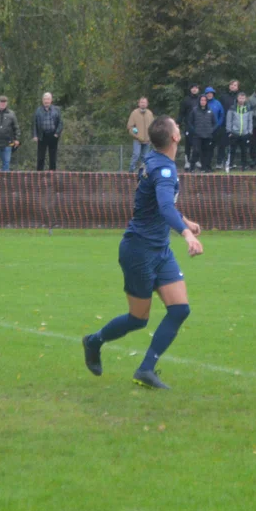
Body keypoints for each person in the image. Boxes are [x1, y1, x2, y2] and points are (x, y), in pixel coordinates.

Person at [81, 116, 203, 389]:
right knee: (138, 319)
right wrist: (186, 234)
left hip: (159, 249)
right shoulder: (164, 170)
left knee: (180, 309)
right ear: (173, 138)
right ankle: (94, 341)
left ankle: (146, 369)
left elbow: (160, 204)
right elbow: (163, 207)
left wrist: (185, 221)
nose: (180, 128)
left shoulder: (155, 161)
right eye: (177, 126)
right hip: (139, 250)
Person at [33, 92, 63, 171]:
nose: (46, 101)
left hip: (53, 136)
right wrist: (35, 135)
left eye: (48, 99)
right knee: (40, 157)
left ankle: (52, 174)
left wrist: (57, 133)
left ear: (51, 100)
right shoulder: (38, 110)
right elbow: (34, 123)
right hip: (42, 136)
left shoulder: (57, 110)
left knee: (53, 157)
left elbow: (60, 123)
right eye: (45, 99)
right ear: (42, 100)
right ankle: (39, 175)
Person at [188, 94, 217, 172]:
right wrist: (194, 130)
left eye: (205, 100)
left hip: (207, 135)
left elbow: (214, 123)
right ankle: (192, 167)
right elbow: (190, 122)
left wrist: (211, 130)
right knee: (196, 151)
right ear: (199, 101)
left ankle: (204, 168)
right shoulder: (194, 110)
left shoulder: (210, 111)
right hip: (197, 135)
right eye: (202, 100)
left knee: (206, 152)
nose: (203, 102)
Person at [225, 91, 252, 171]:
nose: (241, 99)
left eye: (243, 98)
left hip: (245, 133)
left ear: (245, 99)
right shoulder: (232, 108)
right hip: (234, 133)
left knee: (244, 151)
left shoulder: (248, 108)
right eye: (240, 98)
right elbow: (229, 120)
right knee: (232, 150)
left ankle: (244, 166)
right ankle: (230, 165)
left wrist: (250, 131)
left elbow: (250, 120)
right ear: (237, 98)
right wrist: (229, 131)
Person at [217, 80, 241, 169]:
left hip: (236, 123)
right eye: (231, 84)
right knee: (222, 143)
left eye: (235, 85)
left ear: (237, 87)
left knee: (233, 144)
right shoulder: (223, 96)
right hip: (224, 123)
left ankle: (231, 162)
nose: (233, 86)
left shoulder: (240, 97)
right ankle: (219, 162)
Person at [127, 97, 155, 172]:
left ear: (147, 104)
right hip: (137, 140)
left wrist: (151, 137)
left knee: (145, 157)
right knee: (136, 155)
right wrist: (137, 135)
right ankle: (131, 170)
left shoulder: (150, 113)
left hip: (147, 140)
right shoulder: (134, 113)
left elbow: (153, 126)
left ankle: (143, 172)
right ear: (139, 104)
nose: (143, 104)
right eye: (141, 102)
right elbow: (130, 127)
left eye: (144, 102)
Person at [177, 85, 202, 170]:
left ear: (198, 89)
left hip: (199, 125)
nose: (194, 89)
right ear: (190, 89)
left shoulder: (201, 99)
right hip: (188, 125)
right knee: (188, 144)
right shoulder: (186, 100)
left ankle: (196, 160)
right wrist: (178, 123)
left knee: (198, 143)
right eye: (193, 88)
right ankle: (187, 161)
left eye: (196, 88)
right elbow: (181, 113)